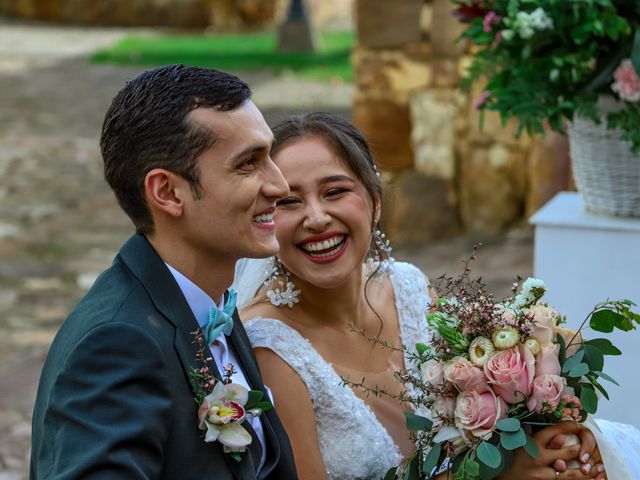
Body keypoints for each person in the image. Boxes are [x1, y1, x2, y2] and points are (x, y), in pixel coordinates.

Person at [235, 112, 638, 479]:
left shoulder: (407, 289)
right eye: (289, 201)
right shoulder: (271, 350)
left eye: (335, 191)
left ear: (374, 202)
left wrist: (554, 442)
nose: (317, 218)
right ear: (267, 218)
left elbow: (466, 439)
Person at [30, 64, 298, 480]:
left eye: (270, 156)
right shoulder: (116, 344)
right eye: (248, 164)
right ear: (167, 192)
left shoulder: (210, 304)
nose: (280, 186)